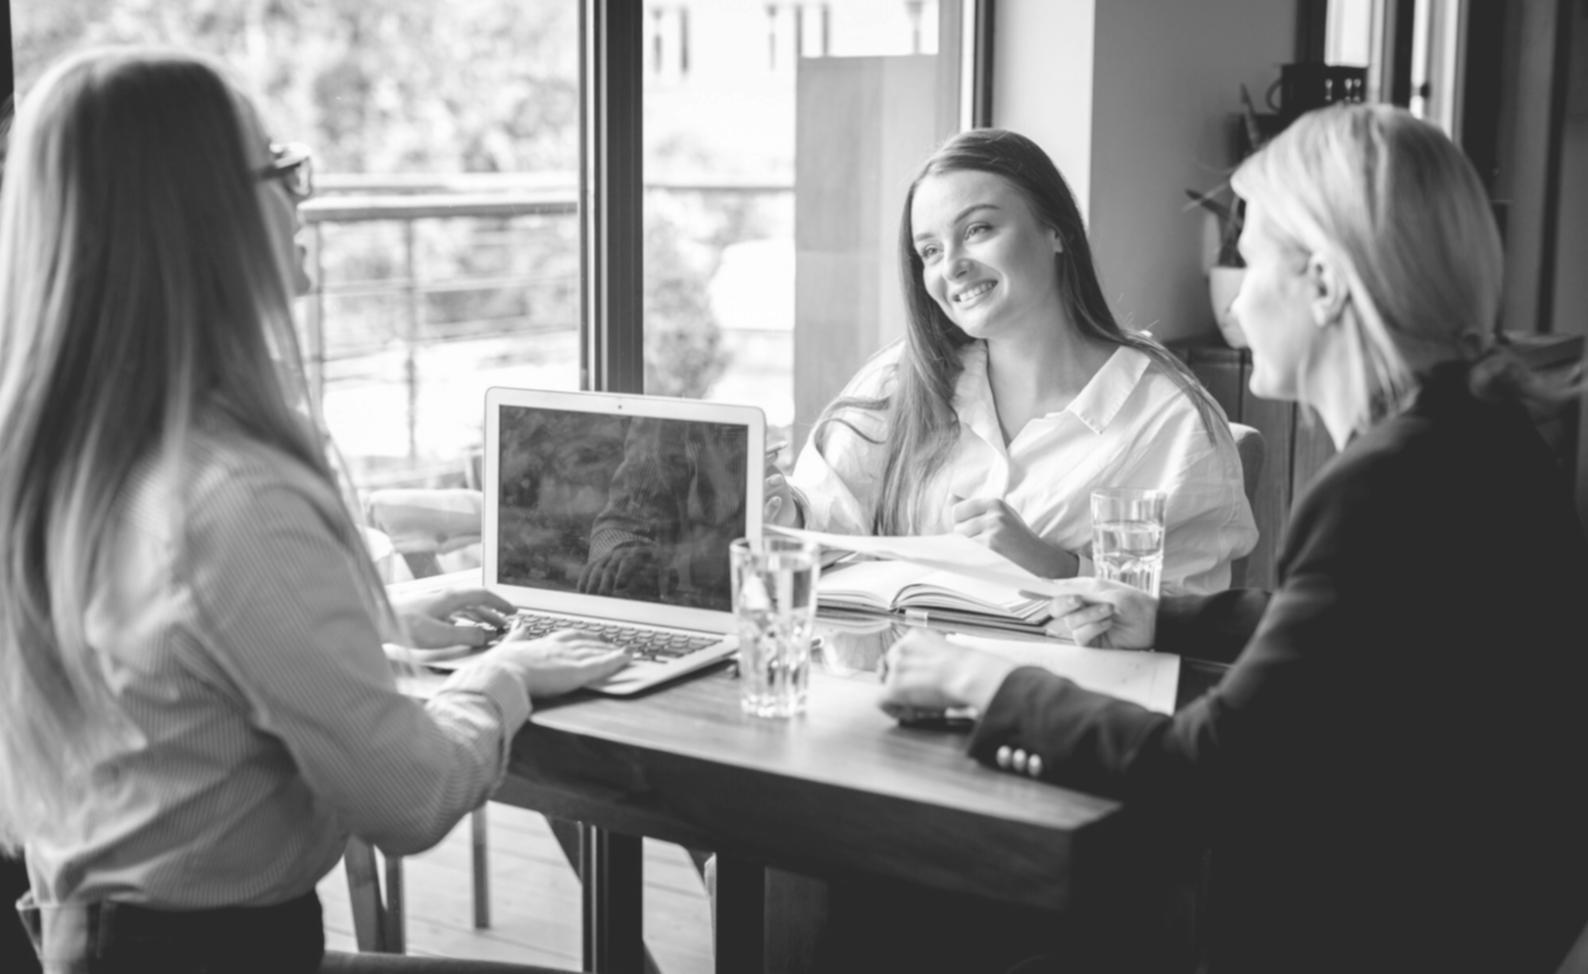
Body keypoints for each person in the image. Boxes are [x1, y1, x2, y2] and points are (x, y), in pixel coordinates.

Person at [880, 104, 1588, 974]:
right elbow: (1348, 629)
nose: (1240, 303)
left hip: (1362, 930)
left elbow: (1207, 771)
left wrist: (988, 684)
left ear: (1325, 285)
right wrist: (1165, 616)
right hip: (1487, 913)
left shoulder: (1386, 486)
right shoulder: (1482, 437)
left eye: (1252, 263)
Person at [0, 47, 630, 973]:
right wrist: (505, 679)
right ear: (201, 214)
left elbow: (170, 684)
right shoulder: (233, 493)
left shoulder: (70, 460)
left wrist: (375, 625)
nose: (304, 197)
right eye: (280, 167)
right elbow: (407, 798)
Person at [766, 128, 1257, 594]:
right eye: (930, 251)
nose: (951, 266)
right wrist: (785, 511)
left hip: (1057, 683)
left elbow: (1189, 622)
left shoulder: (1167, 423)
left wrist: (1055, 567)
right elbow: (825, 525)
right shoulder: (900, 381)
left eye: (977, 229)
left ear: (1056, 232)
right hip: (886, 679)